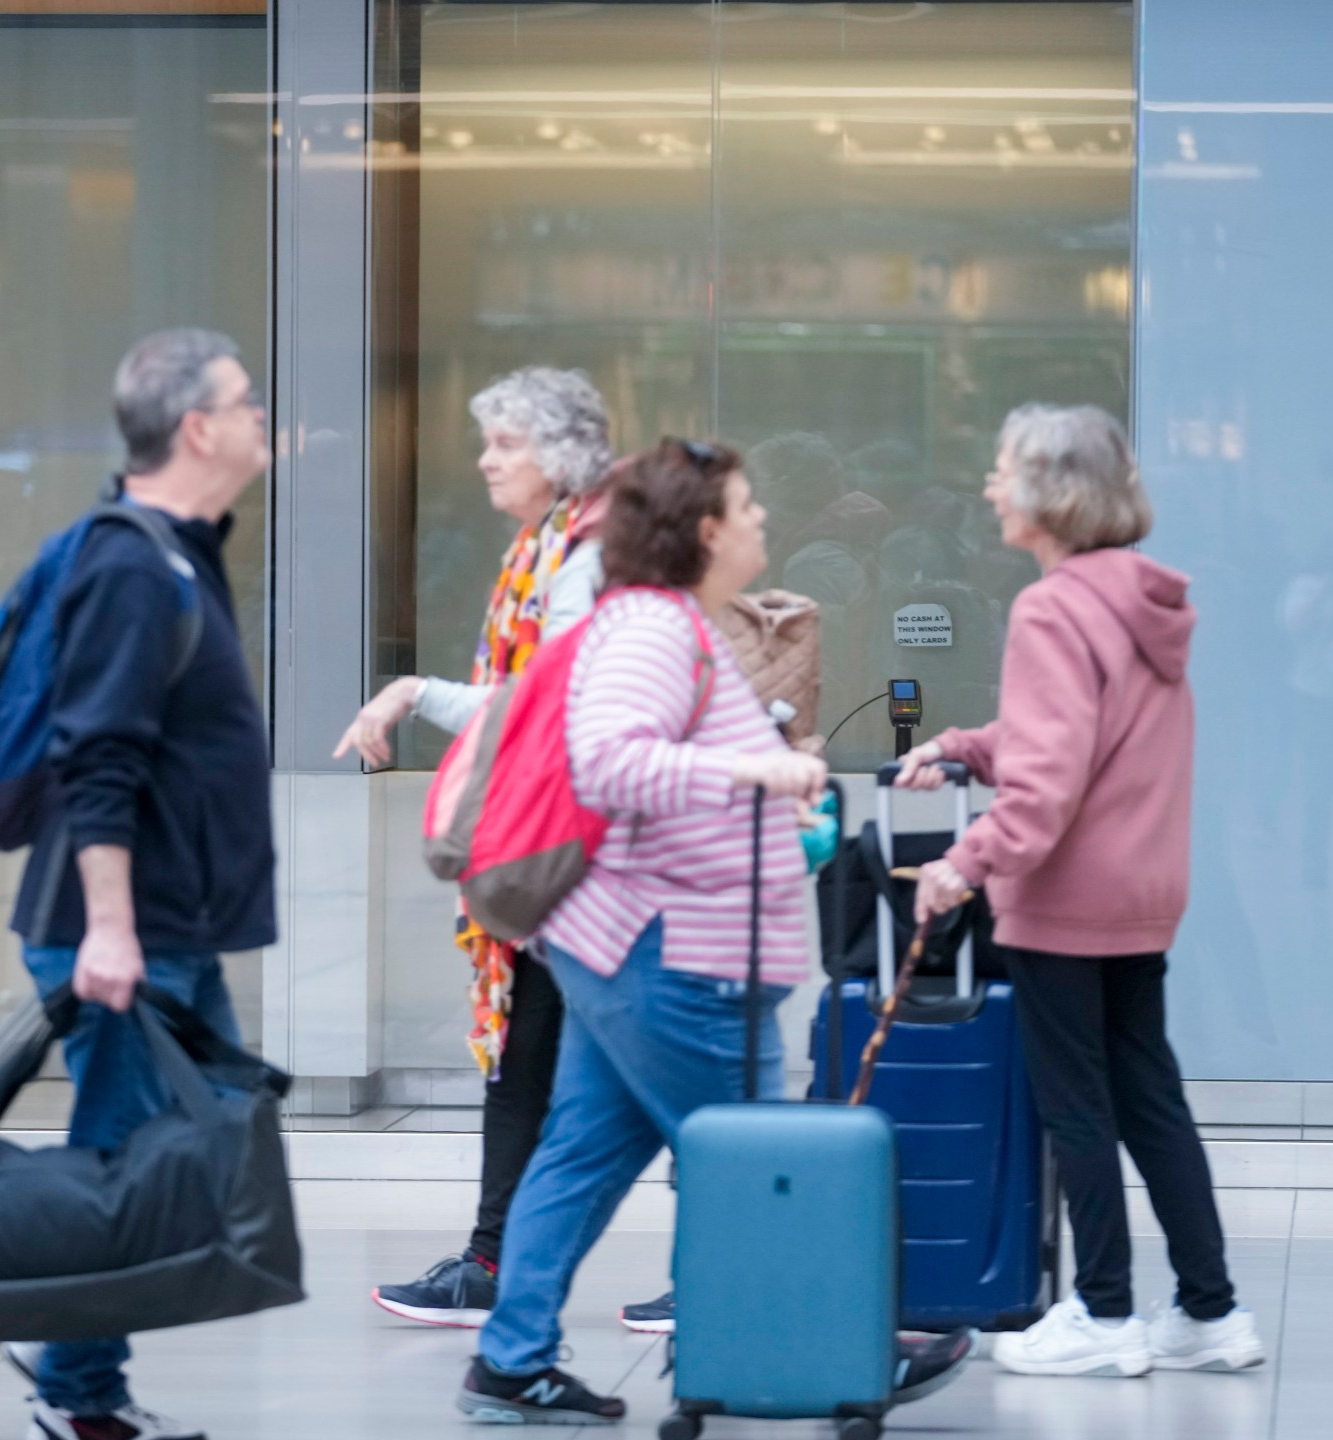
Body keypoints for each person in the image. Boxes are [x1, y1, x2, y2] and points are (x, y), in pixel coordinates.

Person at [458, 439, 971, 1425]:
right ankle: (847, 1348)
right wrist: (752, 775)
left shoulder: (665, 624)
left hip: (630, 949)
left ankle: (512, 1359)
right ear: (702, 532)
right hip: (667, 958)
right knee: (751, 1161)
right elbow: (608, 763)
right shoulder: (652, 631)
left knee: (581, 1153)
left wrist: (769, 766)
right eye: (747, 509)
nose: (762, 521)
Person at [895, 403, 1266, 1376]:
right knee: (1149, 1099)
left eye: (1003, 468)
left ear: (1049, 490)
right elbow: (1075, 737)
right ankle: (1210, 1311)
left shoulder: (1052, 606)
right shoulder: (1136, 599)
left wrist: (960, 863)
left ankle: (1103, 1316)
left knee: (1077, 1108)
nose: (988, 485)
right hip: (1140, 892)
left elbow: (1048, 782)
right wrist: (963, 745)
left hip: (1064, 898)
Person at [0, 329, 275, 1440]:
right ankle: (74, 1380)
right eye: (247, 404)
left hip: (172, 922)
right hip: (124, 929)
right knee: (125, 1153)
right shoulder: (129, 563)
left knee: (203, 1142)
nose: (263, 422)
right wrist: (110, 929)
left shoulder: (181, 553)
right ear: (198, 428)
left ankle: (69, 1339)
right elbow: (97, 755)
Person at [334, 366, 614, 1330]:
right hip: (557, 852)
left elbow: (550, 711)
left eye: (506, 444)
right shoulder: (547, 545)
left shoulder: (586, 556)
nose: (485, 461)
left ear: (562, 455)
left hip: (582, 857)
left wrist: (413, 693)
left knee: (612, 1068)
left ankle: (711, 1268)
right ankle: (497, 1259)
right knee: (535, 1062)